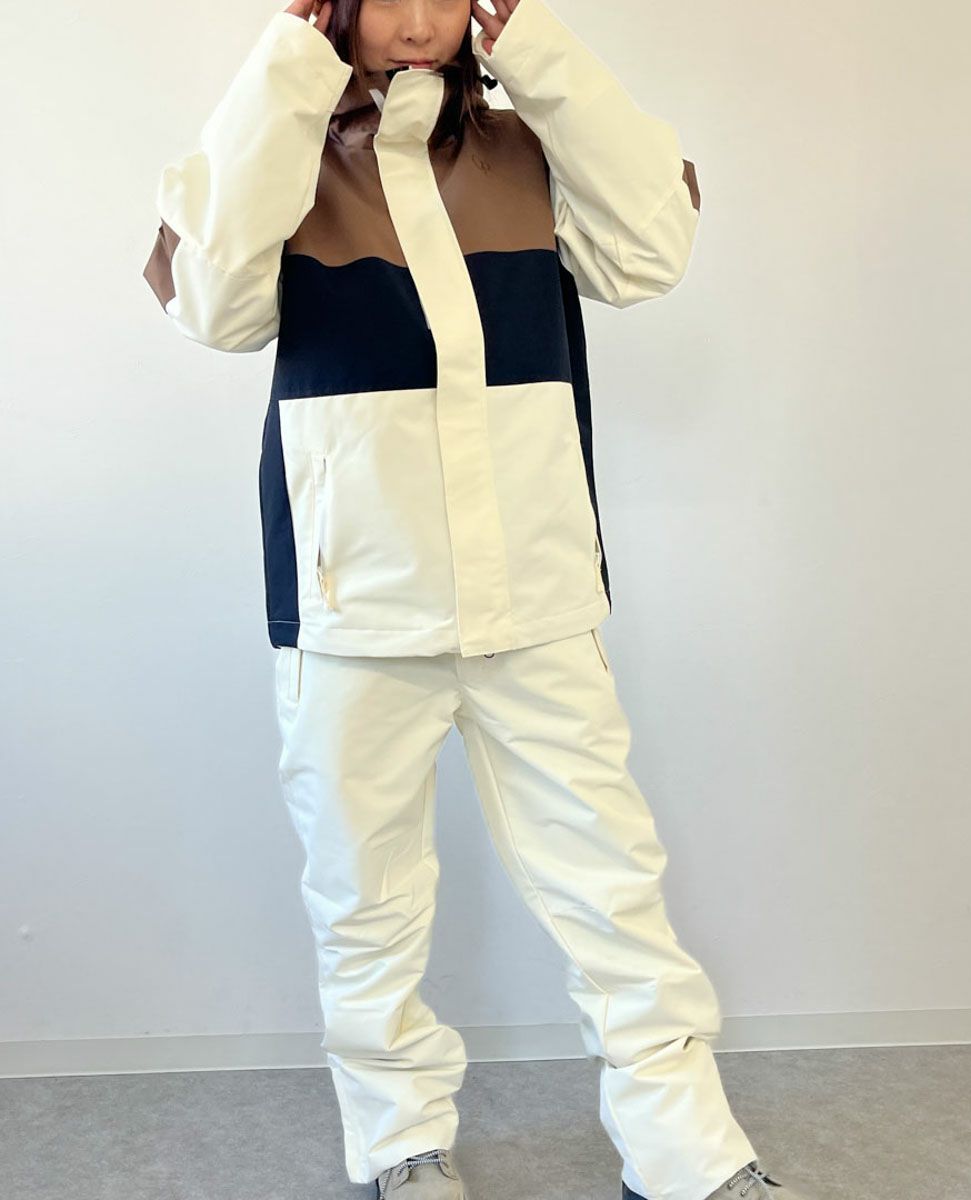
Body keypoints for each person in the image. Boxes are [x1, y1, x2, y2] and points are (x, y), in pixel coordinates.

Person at [142, 2, 809, 1198]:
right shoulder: (281, 157)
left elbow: (649, 251)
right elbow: (213, 306)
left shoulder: (528, 151)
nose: (415, 20)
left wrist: (539, 55)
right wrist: (286, 72)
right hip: (352, 602)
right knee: (365, 895)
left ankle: (686, 1152)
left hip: (535, 589)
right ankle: (401, 1142)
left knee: (609, 881)